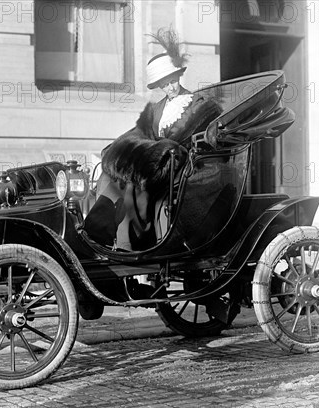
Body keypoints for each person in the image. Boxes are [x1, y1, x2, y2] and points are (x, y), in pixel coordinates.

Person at [85, 29, 223, 251]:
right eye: (164, 84)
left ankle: (129, 244)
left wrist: (160, 153)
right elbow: (140, 132)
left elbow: (200, 141)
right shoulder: (157, 109)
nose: (170, 88)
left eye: (172, 81)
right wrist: (119, 149)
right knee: (113, 180)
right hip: (153, 164)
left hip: (179, 168)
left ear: (179, 76)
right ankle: (98, 233)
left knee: (134, 187)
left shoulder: (199, 105)